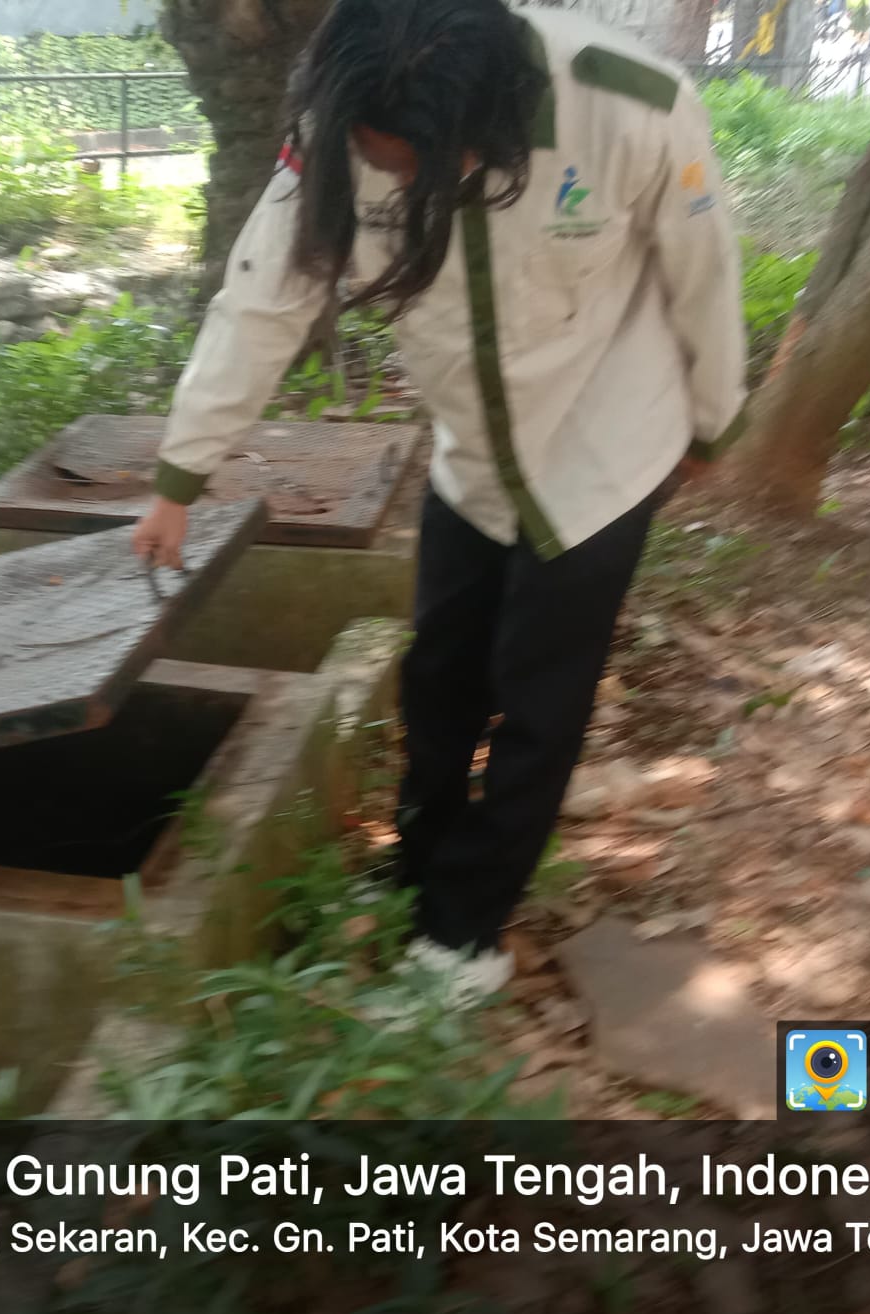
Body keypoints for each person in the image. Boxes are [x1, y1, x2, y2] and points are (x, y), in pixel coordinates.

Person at [133, 0, 747, 1009]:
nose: (398, 178)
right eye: (381, 158)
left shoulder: (628, 103)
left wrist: (712, 422)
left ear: (494, 115)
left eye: (423, 161)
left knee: (538, 699)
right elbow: (260, 302)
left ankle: (465, 935)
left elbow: (702, 267)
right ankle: (417, 866)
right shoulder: (338, 122)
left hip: (606, 434)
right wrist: (178, 479)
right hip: (470, 446)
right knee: (439, 672)